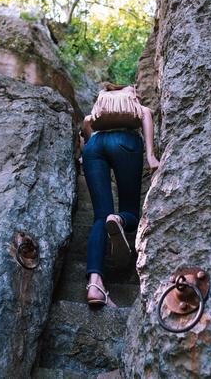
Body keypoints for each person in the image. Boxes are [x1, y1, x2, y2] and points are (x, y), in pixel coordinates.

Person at [79, 82, 159, 307]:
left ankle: (95, 284)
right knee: (130, 210)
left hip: (94, 145)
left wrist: (86, 150)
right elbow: (146, 114)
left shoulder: (100, 108)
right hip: (125, 142)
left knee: (99, 216)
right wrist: (151, 156)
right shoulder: (133, 103)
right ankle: (120, 220)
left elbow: (86, 122)